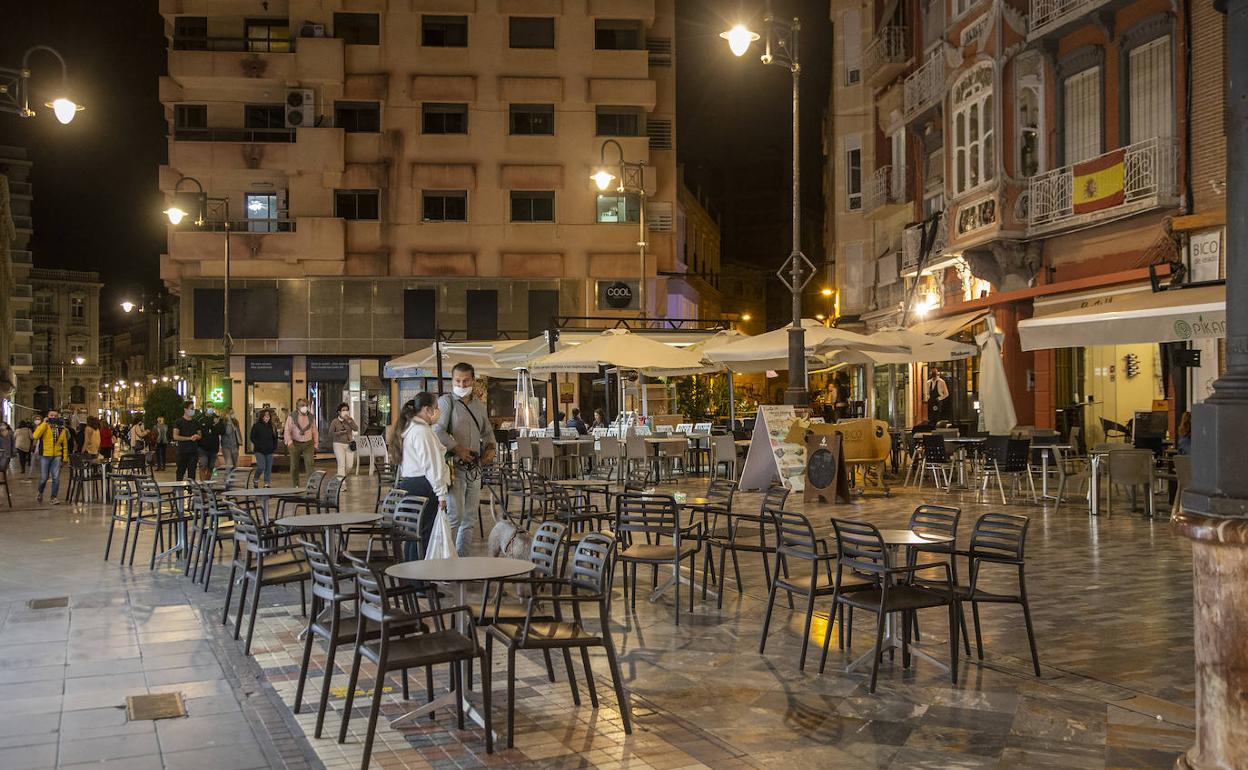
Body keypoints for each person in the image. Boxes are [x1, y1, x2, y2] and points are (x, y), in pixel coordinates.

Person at [433, 362, 497, 556]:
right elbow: (437, 430)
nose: (461, 385)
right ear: (452, 381)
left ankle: (463, 559)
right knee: (455, 516)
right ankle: (446, 559)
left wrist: (491, 448)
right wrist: (458, 449)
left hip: (474, 468)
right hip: (454, 467)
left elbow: (487, 432)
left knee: (469, 519)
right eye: (457, 381)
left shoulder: (479, 405)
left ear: (473, 381)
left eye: (466, 380)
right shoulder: (446, 402)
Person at [397, 394, 450, 559]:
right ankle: (421, 580)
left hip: (410, 485)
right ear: (427, 410)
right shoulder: (422, 431)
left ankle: (412, 577)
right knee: (424, 535)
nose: (438, 412)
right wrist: (441, 494)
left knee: (415, 535)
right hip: (424, 487)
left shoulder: (410, 428)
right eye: (436, 408)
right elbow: (432, 465)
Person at [32, 409, 70, 504]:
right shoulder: (44, 426)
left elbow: (65, 445)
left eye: (55, 416)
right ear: (47, 416)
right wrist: (44, 423)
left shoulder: (62, 429)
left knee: (56, 477)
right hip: (45, 455)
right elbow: (35, 436)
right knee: (44, 478)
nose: (53, 417)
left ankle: (53, 497)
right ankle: (40, 492)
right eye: (51, 415)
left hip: (56, 456)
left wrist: (65, 458)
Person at [284, 398, 318, 487]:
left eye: (306, 405)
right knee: (294, 465)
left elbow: (314, 430)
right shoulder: (292, 416)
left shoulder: (311, 416)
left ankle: (311, 484)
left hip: (308, 443)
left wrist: (316, 443)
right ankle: (296, 484)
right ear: (297, 407)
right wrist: (289, 442)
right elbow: (287, 430)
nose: (304, 407)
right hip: (295, 443)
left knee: (310, 464)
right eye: (302, 405)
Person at [173, 404, 202, 481]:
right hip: (182, 451)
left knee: (192, 473)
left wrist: (197, 436)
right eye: (191, 408)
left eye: (193, 409)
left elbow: (200, 435)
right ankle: (178, 489)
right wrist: (189, 438)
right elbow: (175, 436)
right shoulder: (178, 422)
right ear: (185, 409)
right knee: (180, 472)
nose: (193, 410)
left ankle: (191, 490)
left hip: (193, 451)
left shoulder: (196, 422)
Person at [330, 402, 358, 482]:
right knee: (341, 464)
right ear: (339, 412)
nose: (345, 412)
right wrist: (340, 433)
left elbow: (356, 429)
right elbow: (330, 433)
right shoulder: (334, 421)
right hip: (338, 444)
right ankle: (341, 484)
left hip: (349, 444)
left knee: (349, 465)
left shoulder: (350, 420)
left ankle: (341, 477)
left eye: (347, 410)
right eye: (343, 410)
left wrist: (350, 421)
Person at [250, 408, 278, 487]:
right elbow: (252, 437)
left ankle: (266, 483)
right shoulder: (256, 426)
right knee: (261, 466)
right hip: (259, 450)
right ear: (262, 416)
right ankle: (256, 478)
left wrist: (274, 446)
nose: (267, 417)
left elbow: (275, 438)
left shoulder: (272, 426)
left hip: (269, 450)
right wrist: (258, 444)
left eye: (268, 416)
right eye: (265, 416)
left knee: (268, 468)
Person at [197, 409, 221, 479]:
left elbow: (221, 431)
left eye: (212, 406)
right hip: (203, 448)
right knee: (203, 466)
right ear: (206, 409)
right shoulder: (200, 419)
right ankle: (202, 484)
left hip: (213, 448)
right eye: (209, 406)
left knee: (210, 467)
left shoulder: (217, 418)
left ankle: (207, 484)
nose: (211, 408)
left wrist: (216, 424)